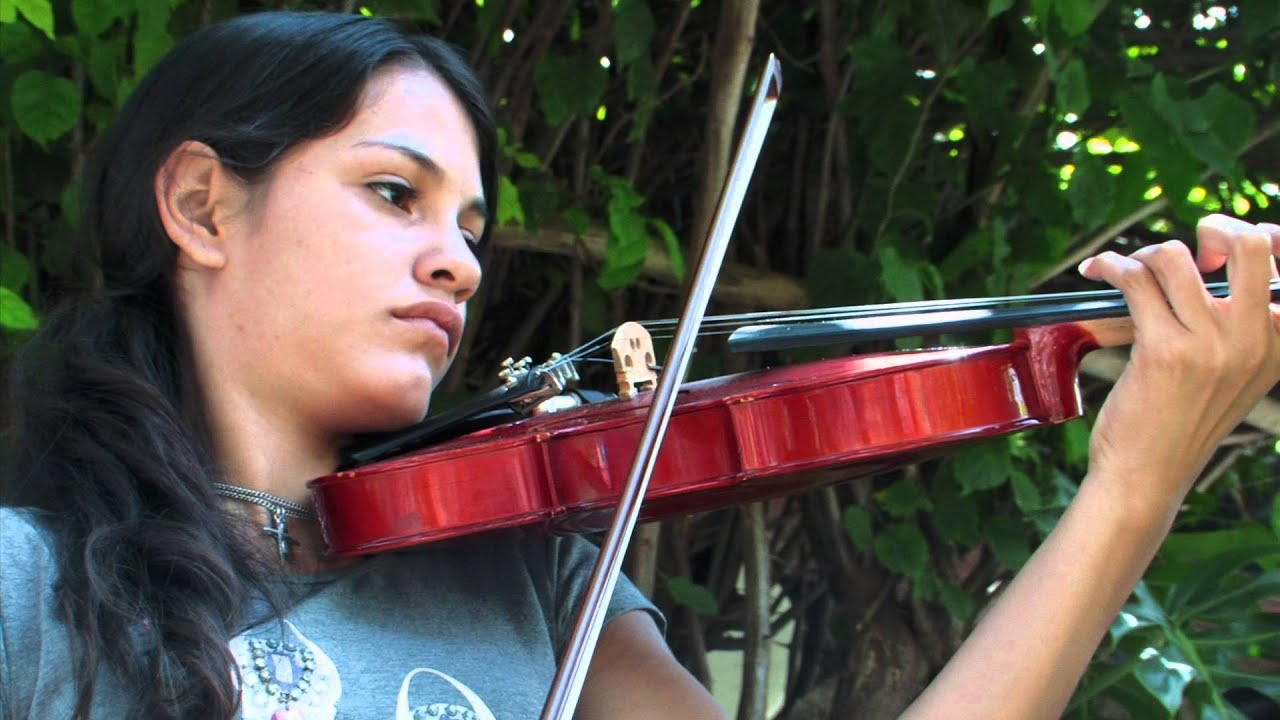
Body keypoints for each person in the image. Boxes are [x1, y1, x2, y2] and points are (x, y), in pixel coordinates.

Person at [0, 9, 1276, 720]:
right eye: (395, 193)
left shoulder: (543, 585)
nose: (456, 263)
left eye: (471, 228)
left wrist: (1131, 489)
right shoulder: (26, 587)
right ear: (202, 207)